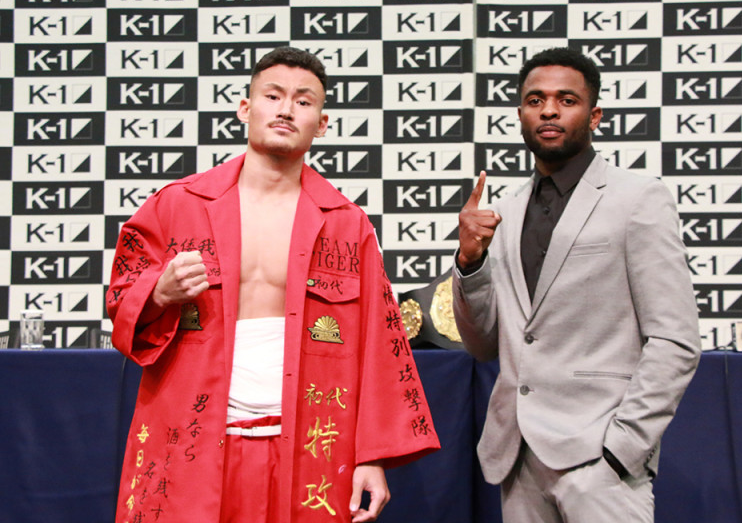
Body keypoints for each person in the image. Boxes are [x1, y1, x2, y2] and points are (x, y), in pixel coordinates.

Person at [107, 46, 439, 523]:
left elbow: (380, 347)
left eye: (304, 101)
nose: (286, 109)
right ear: (245, 108)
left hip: (309, 447)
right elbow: (121, 303)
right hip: (195, 443)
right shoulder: (176, 205)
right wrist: (159, 293)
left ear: (321, 124)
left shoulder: (347, 224)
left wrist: (372, 458)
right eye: (273, 95)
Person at [452, 47, 701, 522]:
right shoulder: (503, 212)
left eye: (566, 100)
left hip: (600, 461)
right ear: (521, 114)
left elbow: (676, 339)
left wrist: (622, 449)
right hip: (518, 460)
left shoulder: (638, 198)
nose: (549, 110)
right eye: (535, 100)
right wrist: (470, 262)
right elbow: (482, 345)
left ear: (594, 115)